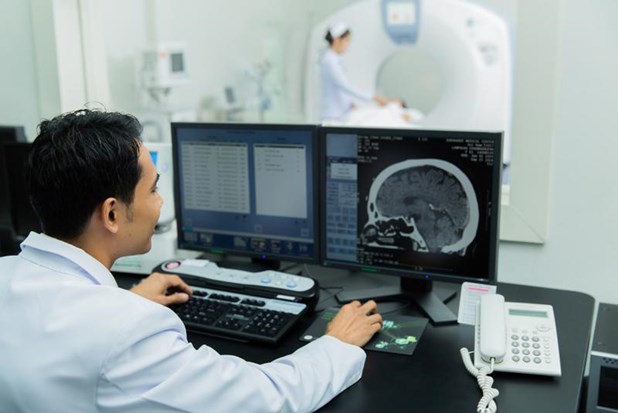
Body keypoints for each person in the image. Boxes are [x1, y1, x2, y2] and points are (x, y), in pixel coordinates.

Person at [0, 109, 383, 413]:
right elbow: (267, 399)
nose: (160, 202)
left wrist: (127, 302)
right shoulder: (127, 331)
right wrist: (336, 344)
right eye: (152, 189)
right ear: (112, 215)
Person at [319, 21, 391, 121]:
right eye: (347, 40)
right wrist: (373, 97)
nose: (348, 45)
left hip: (340, 113)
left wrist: (348, 104)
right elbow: (344, 85)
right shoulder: (329, 60)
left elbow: (337, 88)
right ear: (337, 40)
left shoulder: (334, 59)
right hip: (332, 115)